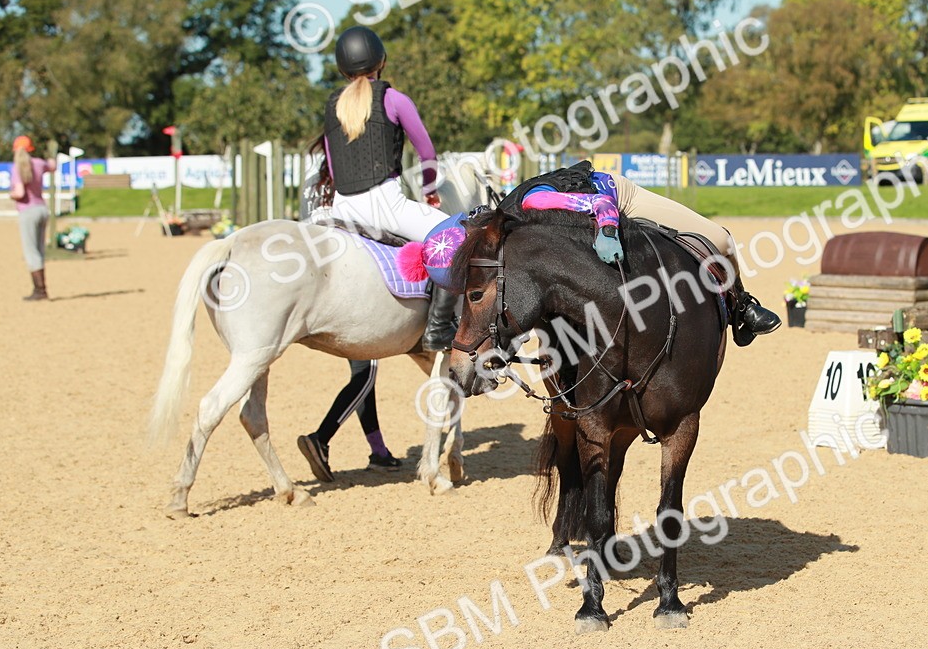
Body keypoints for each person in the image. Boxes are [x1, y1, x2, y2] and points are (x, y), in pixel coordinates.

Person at [297, 25, 454, 481]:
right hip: (385, 204)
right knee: (451, 237)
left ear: (342, 69)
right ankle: (440, 328)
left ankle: (370, 442)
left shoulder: (333, 105)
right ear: (380, 62)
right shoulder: (394, 99)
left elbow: (329, 161)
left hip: (338, 210)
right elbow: (426, 151)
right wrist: (429, 194)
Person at [398, 161, 782, 345]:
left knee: (720, 238)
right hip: (587, 220)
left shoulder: (536, 204)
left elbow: (600, 205)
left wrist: (609, 233)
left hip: (616, 198)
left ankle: (742, 307)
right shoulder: (502, 242)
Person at [295, 143, 402, 482]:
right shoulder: (356, 166)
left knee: (363, 375)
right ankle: (320, 438)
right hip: (348, 256)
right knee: (365, 374)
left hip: (314, 246)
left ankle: (380, 451)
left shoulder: (317, 163)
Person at [9, 136, 51, 301]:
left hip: (28, 211)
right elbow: (52, 166)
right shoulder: (39, 163)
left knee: (31, 252)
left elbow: (19, 193)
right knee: (39, 250)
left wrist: (10, 195)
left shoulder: (17, 167)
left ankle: (39, 290)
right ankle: (41, 288)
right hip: (42, 208)